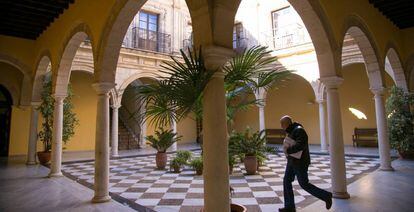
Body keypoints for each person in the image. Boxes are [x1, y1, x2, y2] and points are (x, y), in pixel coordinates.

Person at [279, 115, 332, 212]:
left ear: (285, 123)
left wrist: (288, 150)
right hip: (292, 161)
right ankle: (289, 206)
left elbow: (301, 145)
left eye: (281, 124)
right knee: (286, 181)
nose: (281, 126)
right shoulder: (291, 131)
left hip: (300, 162)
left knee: (304, 184)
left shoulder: (299, 130)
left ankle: (326, 196)